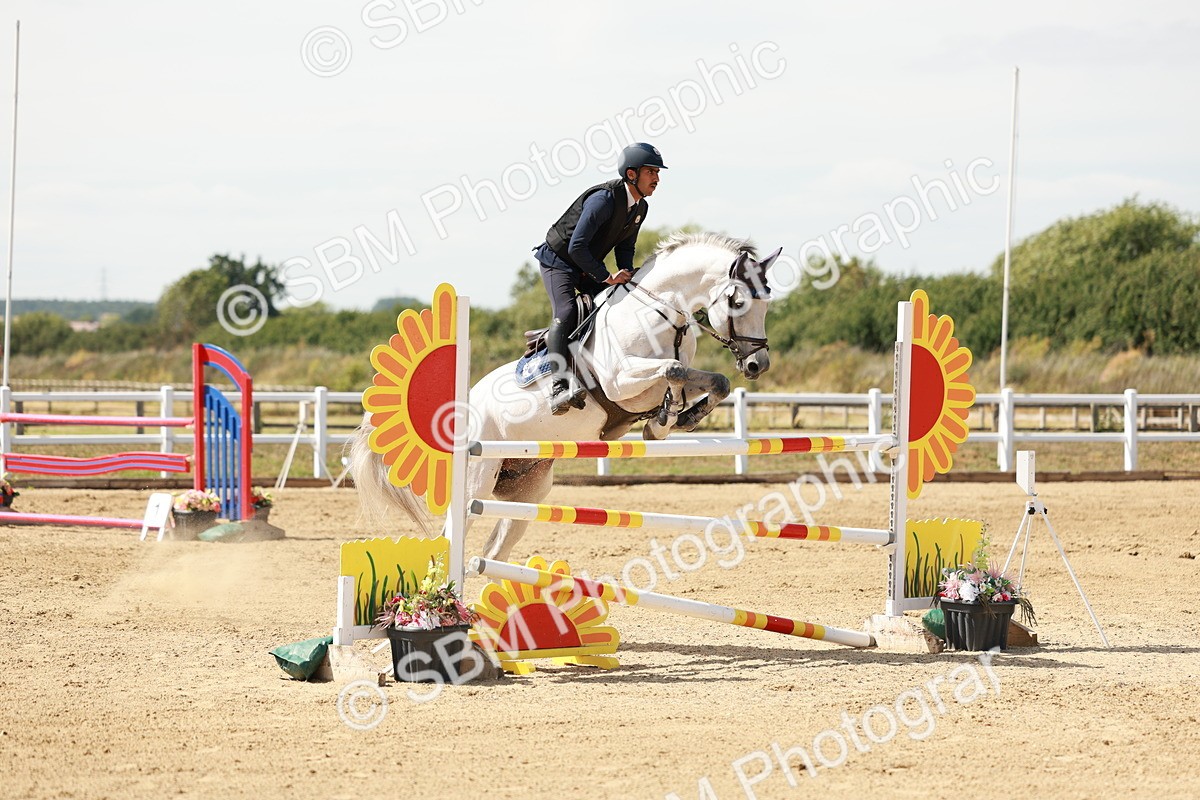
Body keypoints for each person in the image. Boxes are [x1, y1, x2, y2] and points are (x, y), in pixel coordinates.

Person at [532, 142, 666, 415]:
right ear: (632, 174)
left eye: (657, 173)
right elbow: (576, 246)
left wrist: (627, 274)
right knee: (567, 310)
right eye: (651, 172)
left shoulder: (640, 207)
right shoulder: (603, 200)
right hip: (558, 261)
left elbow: (625, 246)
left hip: (585, 265)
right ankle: (558, 386)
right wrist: (606, 276)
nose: (657, 178)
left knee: (615, 303)